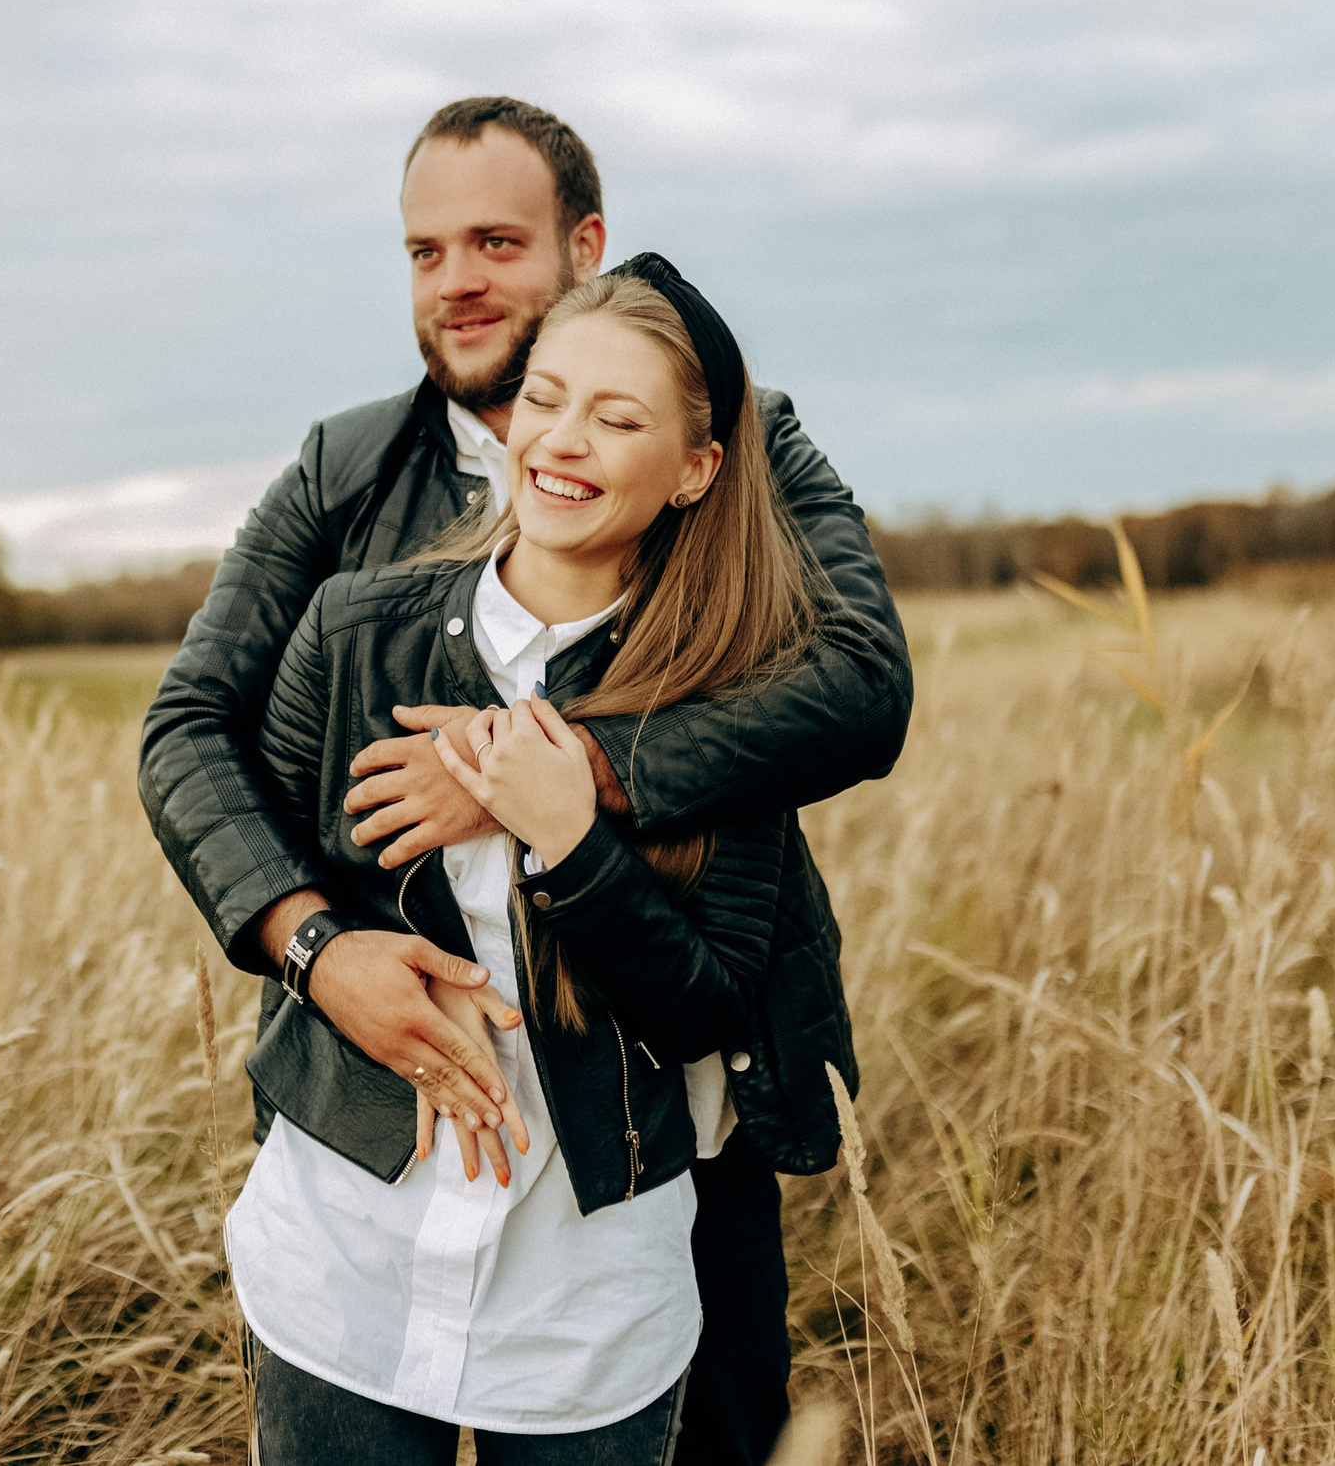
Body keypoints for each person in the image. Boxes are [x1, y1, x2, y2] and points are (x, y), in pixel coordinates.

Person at [140, 97, 910, 1464]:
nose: (458, 281)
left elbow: (861, 684)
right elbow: (192, 723)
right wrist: (314, 948)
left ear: (586, 248)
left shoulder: (743, 429)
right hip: (395, 1116)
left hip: (651, 1106)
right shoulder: (348, 472)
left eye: (496, 239)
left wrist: (543, 776)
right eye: (426, 250)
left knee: (709, 1420)